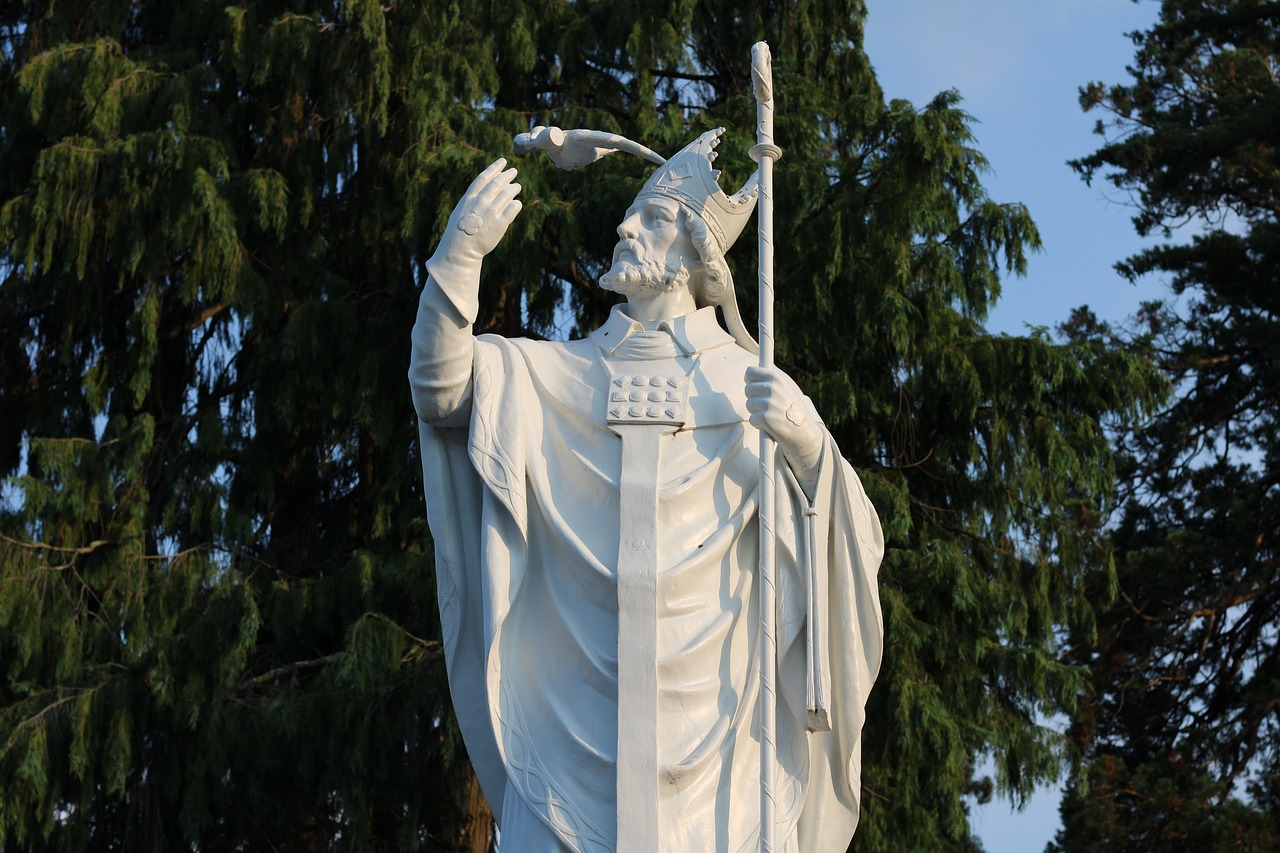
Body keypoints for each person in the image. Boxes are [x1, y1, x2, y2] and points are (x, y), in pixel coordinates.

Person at [409, 128, 883, 852]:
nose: (627, 228)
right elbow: (441, 390)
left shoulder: (749, 388)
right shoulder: (551, 377)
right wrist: (459, 260)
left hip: (723, 784)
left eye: (654, 219)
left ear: (700, 255)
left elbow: (848, 548)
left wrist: (813, 447)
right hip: (569, 766)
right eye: (634, 216)